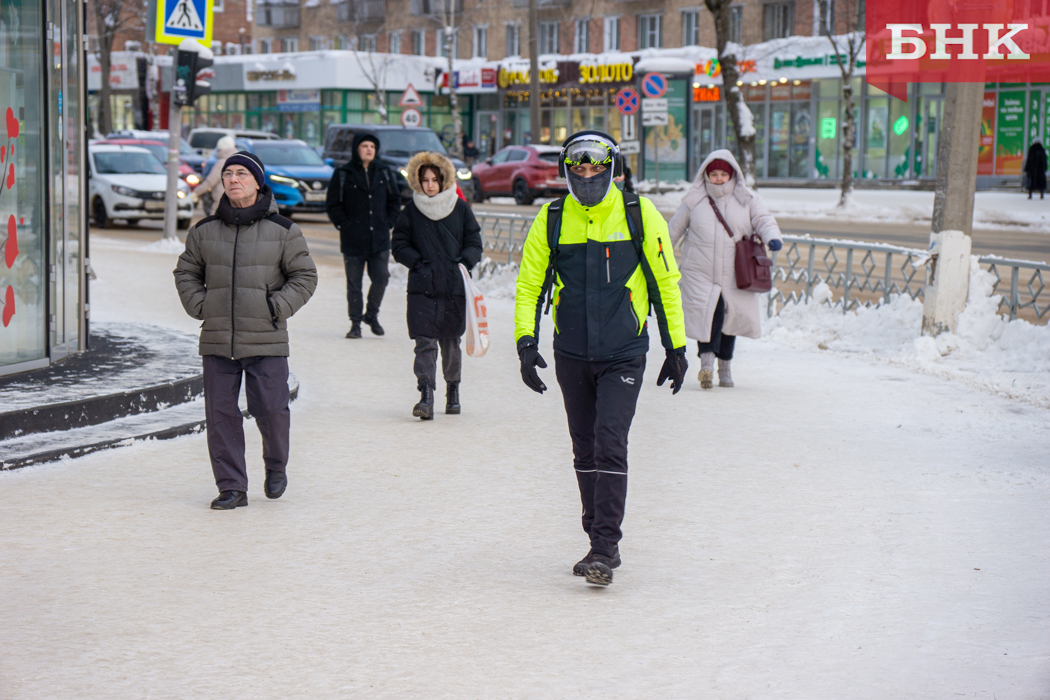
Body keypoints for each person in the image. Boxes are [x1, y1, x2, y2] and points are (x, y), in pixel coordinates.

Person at [514, 130, 688, 586]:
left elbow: (664, 280)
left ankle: (606, 546)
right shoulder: (551, 218)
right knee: (584, 447)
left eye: (595, 168)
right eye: (579, 169)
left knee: (611, 441)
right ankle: (596, 537)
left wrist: (676, 347)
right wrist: (526, 344)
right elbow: (530, 284)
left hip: (623, 353)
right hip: (572, 351)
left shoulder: (638, 213)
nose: (588, 176)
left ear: (611, 168)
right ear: (568, 172)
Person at [174, 151, 317, 510]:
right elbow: (186, 272)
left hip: (266, 338)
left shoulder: (284, 231)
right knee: (221, 416)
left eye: (242, 173)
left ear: (257, 181)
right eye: (228, 174)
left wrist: (275, 307)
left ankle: (275, 464)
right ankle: (232, 487)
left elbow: (305, 277)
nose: (233, 179)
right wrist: (201, 306)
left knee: (270, 409)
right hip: (218, 340)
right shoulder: (204, 231)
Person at [668, 149, 783, 390]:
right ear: (706, 175)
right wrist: (659, 254)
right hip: (700, 271)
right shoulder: (694, 200)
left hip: (736, 272)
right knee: (709, 314)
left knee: (732, 317)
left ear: (733, 175)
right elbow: (673, 230)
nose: (719, 179)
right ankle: (707, 364)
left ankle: (725, 366)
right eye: (714, 174)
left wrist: (772, 237)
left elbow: (764, 219)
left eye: (723, 174)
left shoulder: (747, 199)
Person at [392, 152, 483, 420]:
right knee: (424, 343)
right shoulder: (411, 210)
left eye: (434, 179)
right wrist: (417, 262)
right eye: (425, 180)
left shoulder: (460, 207)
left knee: (451, 344)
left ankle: (452, 391)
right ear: (417, 182)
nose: (430, 185)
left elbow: (474, 241)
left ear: (444, 180)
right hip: (423, 287)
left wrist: (464, 262)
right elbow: (399, 243)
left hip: (454, 287)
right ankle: (426, 395)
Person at [326, 132, 401, 339]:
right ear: (356, 149)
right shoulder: (343, 174)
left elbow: (394, 201)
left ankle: (371, 314)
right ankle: (356, 323)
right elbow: (333, 205)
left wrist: (388, 222)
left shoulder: (385, 172)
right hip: (353, 239)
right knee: (354, 283)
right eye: (365, 145)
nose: (369, 149)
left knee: (381, 278)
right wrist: (345, 225)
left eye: (372, 146)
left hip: (380, 238)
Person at [191, 136, 237, 215]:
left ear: (222, 149)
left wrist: (195, 193)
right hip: (235, 202)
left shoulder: (222, 163)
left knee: (214, 225)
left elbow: (210, 182)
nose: (217, 151)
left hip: (221, 202)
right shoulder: (239, 161)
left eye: (218, 149)